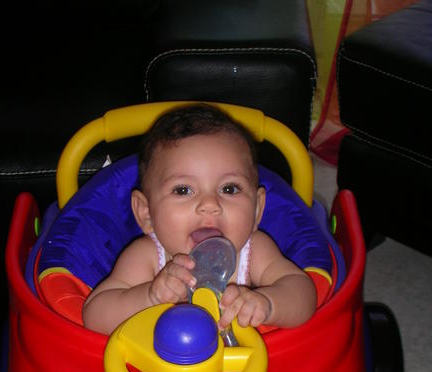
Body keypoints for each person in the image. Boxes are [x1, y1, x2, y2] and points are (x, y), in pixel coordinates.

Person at [83, 104, 317, 335]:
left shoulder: (254, 251)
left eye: (229, 188)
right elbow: (95, 314)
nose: (210, 204)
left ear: (257, 209)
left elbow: (303, 292)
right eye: (183, 190)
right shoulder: (148, 257)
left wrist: (268, 303)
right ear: (146, 213)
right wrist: (149, 297)